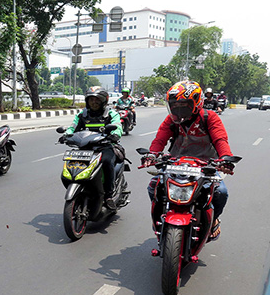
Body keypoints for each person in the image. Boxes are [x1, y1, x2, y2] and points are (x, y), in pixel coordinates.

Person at [143, 81, 234, 240]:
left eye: (184, 104)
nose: (179, 109)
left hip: (206, 166)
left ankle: (214, 220)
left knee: (221, 192)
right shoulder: (171, 120)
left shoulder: (209, 117)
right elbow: (160, 139)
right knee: (153, 187)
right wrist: (152, 154)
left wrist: (225, 159)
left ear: (197, 102)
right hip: (175, 164)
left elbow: (220, 140)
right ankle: (158, 221)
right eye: (175, 105)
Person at [64, 86, 122, 210]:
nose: (94, 102)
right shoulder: (82, 114)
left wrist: (115, 134)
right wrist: (66, 135)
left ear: (103, 101)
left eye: (97, 100)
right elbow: (73, 127)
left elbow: (117, 125)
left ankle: (109, 195)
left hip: (105, 147)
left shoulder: (111, 114)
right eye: (91, 100)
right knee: (71, 162)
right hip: (85, 148)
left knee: (106, 162)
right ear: (87, 101)